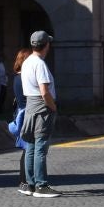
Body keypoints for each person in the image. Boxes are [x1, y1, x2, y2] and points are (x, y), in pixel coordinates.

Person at [19, 31, 59, 197]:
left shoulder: (27, 61)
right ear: (46, 45)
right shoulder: (40, 64)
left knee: (31, 146)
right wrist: (53, 107)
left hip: (30, 105)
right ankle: (41, 185)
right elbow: (44, 91)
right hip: (42, 107)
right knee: (41, 146)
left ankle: (30, 184)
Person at [12, 47, 35, 191]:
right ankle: (24, 181)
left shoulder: (18, 77)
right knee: (28, 150)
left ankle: (24, 180)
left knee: (27, 149)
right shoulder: (21, 78)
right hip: (26, 114)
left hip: (23, 114)